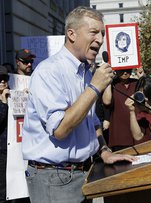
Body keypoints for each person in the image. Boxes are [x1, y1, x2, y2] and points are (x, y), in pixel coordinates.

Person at [22, 7, 136, 203]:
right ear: (71, 34)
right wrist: (94, 88)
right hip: (55, 179)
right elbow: (60, 129)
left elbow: (92, 122)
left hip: (83, 173)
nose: (100, 40)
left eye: (102, 34)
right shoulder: (48, 72)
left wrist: (104, 151)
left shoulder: (86, 72)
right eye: (93, 32)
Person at [102, 69, 151, 152]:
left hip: (140, 132)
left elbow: (149, 98)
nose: (125, 72)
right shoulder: (112, 84)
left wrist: (142, 78)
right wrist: (109, 81)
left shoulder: (137, 83)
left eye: (127, 69)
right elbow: (106, 101)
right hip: (120, 136)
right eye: (122, 70)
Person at [0, 66, 10, 203]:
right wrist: (3, 102)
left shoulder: (10, 95)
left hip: (12, 149)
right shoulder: (4, 99)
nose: (2, 81)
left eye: (5, 78)